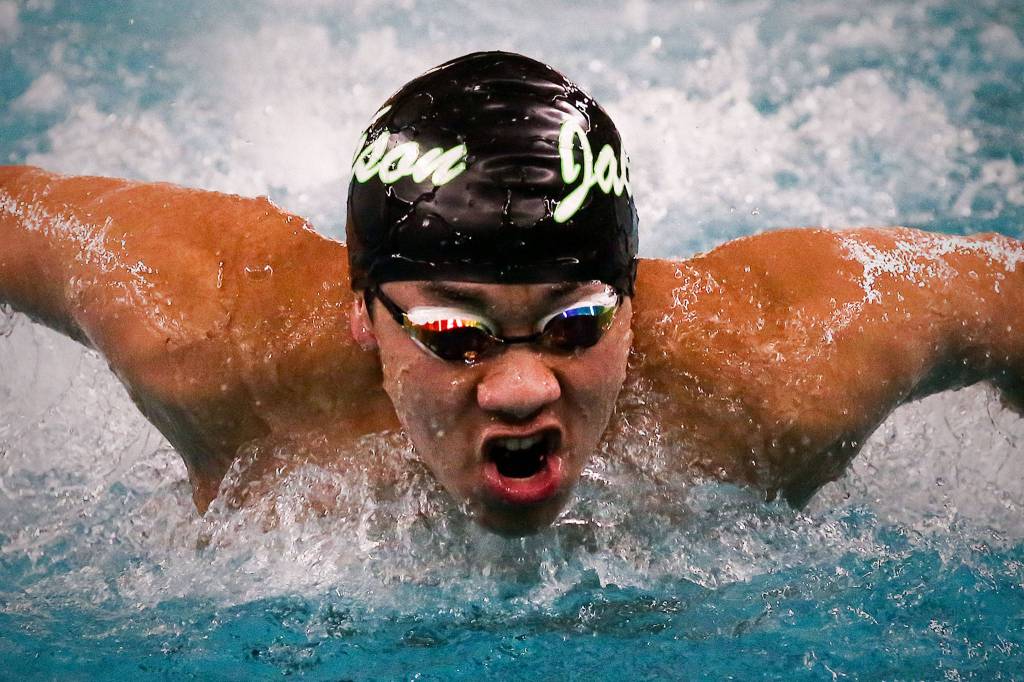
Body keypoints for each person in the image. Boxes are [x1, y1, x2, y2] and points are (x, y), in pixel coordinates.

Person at [1, 52, 1021, 536]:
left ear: (632, 304)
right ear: (364, 314)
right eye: (455, 332)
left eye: (576, 324)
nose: (524, 387)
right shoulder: (203, 326)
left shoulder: (788, 363)